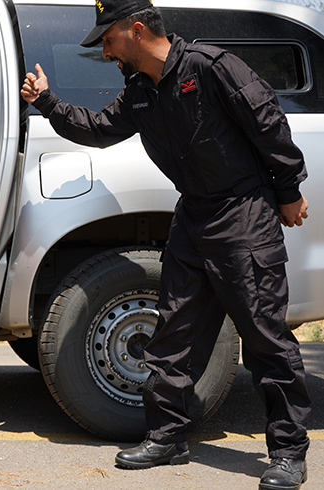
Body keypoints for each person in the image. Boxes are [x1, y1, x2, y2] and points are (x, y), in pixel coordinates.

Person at [20, 1, 311, 489]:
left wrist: (289, 191)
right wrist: (47, 102)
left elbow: (268, 124)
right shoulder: (139, 93)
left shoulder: (210, 67)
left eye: (108, 41)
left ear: (135, 30)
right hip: (193, 216)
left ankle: (288, 452)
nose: (106, 53)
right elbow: (96, 130)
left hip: (243, 216)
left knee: (265, 339)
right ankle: (167, 437)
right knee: (173, 332)